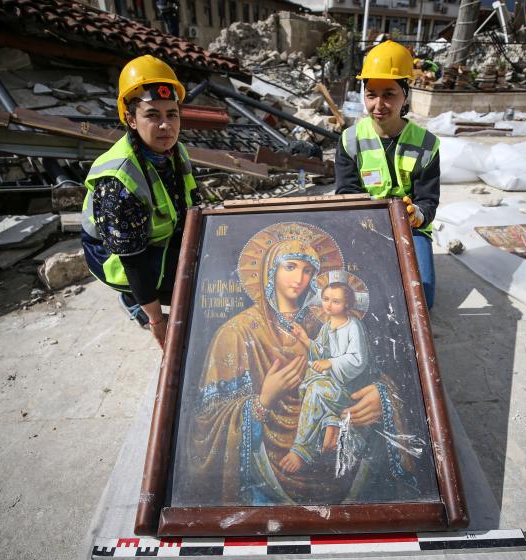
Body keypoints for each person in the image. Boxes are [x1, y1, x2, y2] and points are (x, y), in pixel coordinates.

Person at [181, 223, 421, 506]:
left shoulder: (329, 322)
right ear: (270, 270)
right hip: (268, 477)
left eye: (308, 271)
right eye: (290, 266)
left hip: (341, 464)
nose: (300, 278)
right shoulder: (237, 333)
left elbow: (369, 373)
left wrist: (381, 397)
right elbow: (205, 425)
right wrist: (262, 401)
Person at [80, 55, 199, 348]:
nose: (165, 126)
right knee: (192, 285)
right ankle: (133, 299)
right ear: (131, 119)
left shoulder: (176, 152)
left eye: (172, 114)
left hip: (155, 238)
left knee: (207, 265)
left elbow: (192, 203)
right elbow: (132, 259)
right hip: (117, 257)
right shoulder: (119, 179)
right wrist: (158, 322)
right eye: (152, 115)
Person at [335, 40, 441, 308]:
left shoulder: (427, 144)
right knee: (356, 297)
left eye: (389, 94)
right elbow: (346, 193)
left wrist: (417, 215)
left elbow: (429, 199)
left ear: (405, 95)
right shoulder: (350, 140)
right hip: (366, 225)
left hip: (411, 228)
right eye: (371, 94)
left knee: (421, 301)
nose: (379, 104)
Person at [281, 275, 371, 474]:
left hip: (347, 388)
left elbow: (358, 360)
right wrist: (305, 339)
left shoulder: (353, 326)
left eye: (336, 301)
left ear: (347, 303)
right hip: (332, 381)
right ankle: (328, 423)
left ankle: (301, 449)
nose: (328, 305)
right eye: (326, 299)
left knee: (315, 389)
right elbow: (321, 352)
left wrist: (330, 362)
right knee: (304, 376)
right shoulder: (326, 326)